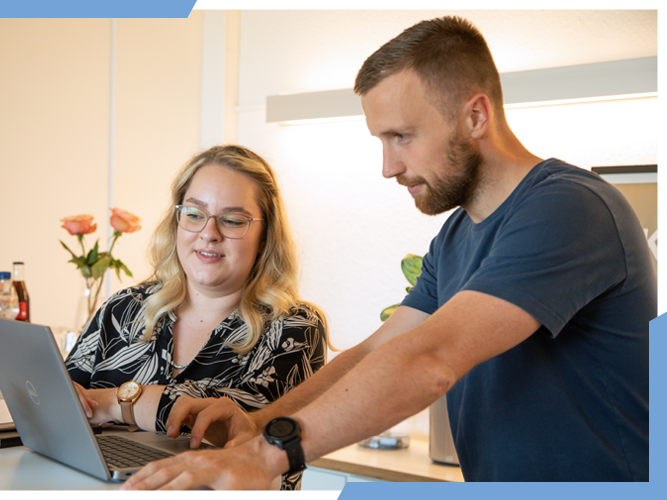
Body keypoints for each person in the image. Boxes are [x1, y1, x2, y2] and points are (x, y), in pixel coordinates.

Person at [120, 16, 653, 490]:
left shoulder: (568, 207)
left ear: (474, 116)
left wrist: (268, 455)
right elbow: (378, 351)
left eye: (401, 136)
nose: (388, 166)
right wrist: (255, 424)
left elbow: (431, 359)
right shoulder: (456, 236)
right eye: (381, 140)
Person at [65, 144, 328, 491]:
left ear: (265, 237)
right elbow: (65, 401)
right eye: (194, 213)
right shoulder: (124, 308)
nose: (209, 232)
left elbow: (224, 427)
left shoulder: (294, 327)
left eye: (233, 220)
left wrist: (112, 402)